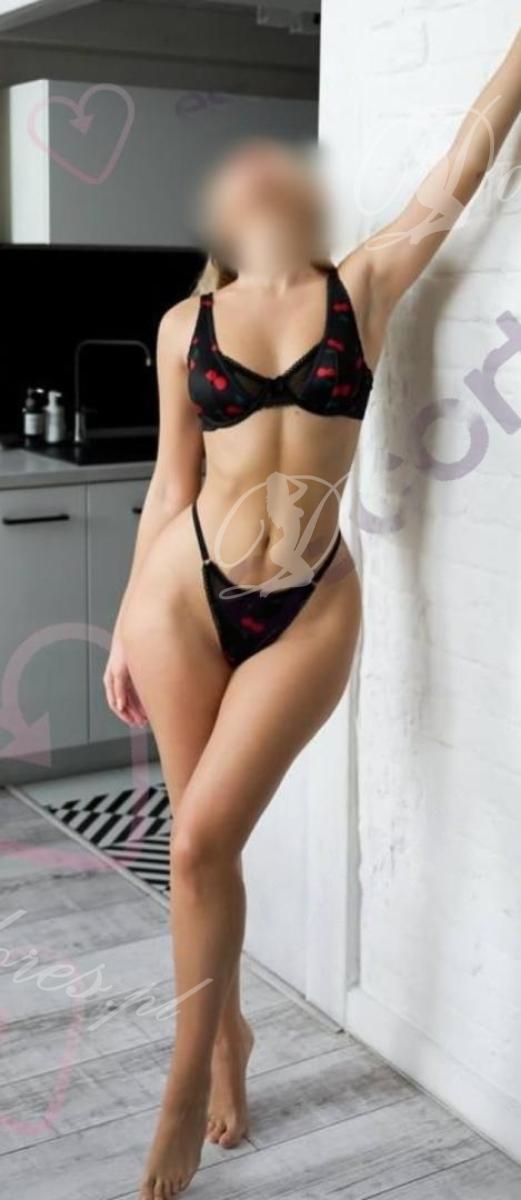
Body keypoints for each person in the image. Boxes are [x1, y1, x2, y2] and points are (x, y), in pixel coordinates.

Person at [103, 29, 521, 1199]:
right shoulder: (186, 329)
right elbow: (169, 491)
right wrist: (124, 630)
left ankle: (183, 1086)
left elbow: (464, 162)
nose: (261, 169)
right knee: (203, 850)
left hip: (308, 607)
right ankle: (221, 1042)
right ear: (223, 217)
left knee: (201, 843)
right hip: (184, 602)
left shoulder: (363, 287)